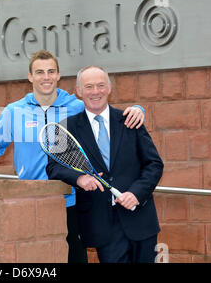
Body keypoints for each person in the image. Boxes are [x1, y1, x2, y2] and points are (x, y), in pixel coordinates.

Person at [0, 50, 146, 263]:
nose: (46, 77)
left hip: (72, 201)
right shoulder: (15, 111)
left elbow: (106, 112)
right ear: (30, 76)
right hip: (31, 200)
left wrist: (138, 109)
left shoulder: (77, 106)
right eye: (39, 72)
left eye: (51, 71)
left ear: (58, 75)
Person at [46, 65, 164, 263]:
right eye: (89, 86)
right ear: (79, 91)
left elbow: (153, 164)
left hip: (141, 220)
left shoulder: (130, 120)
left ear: (109, 88)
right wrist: (79, 178)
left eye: (101, 85)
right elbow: (53, 167)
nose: (95, 92)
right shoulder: (66, 127)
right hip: (102, 226)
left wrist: (136, 194)